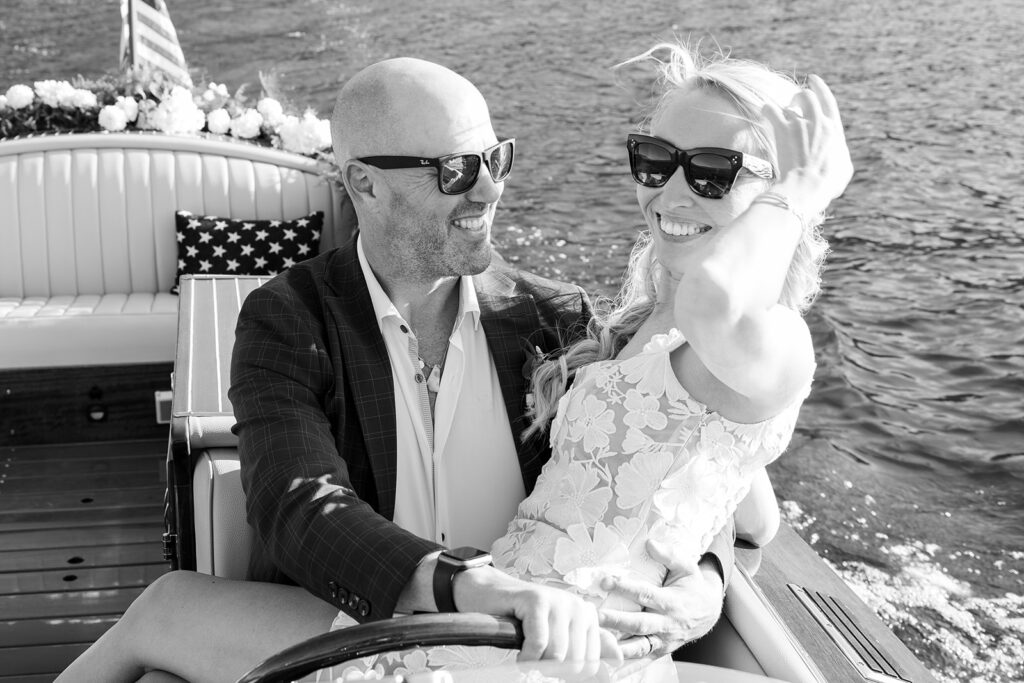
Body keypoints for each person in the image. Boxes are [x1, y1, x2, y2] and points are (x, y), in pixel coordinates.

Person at [56, 54, 743, 683]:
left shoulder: (553, 317)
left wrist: (705, 578)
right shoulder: (288, 318)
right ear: (364, 184)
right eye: (456, 171)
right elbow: (297, 503)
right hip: (352, 628)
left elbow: (666, 444)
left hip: (529, 651)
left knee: (163, 617)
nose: (490, 190)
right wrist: (463, 583)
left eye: (496, 158)